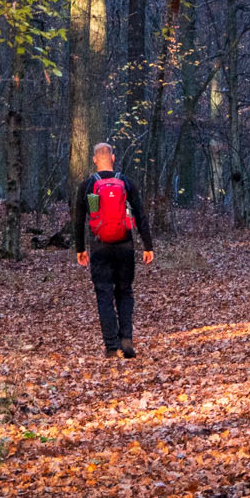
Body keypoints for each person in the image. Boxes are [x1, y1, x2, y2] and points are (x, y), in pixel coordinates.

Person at [72, 142, 154, 358]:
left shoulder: (90, 186)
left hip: (100, 246)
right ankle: (126, 339)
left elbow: (83, 219)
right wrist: (148, 245)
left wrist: (80, 248)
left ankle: (111, 346)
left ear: (95, 160)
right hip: (125, 245)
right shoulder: (126, 183)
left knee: (104, 294)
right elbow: (140, 215)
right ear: (114, 158)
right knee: (125, 291)